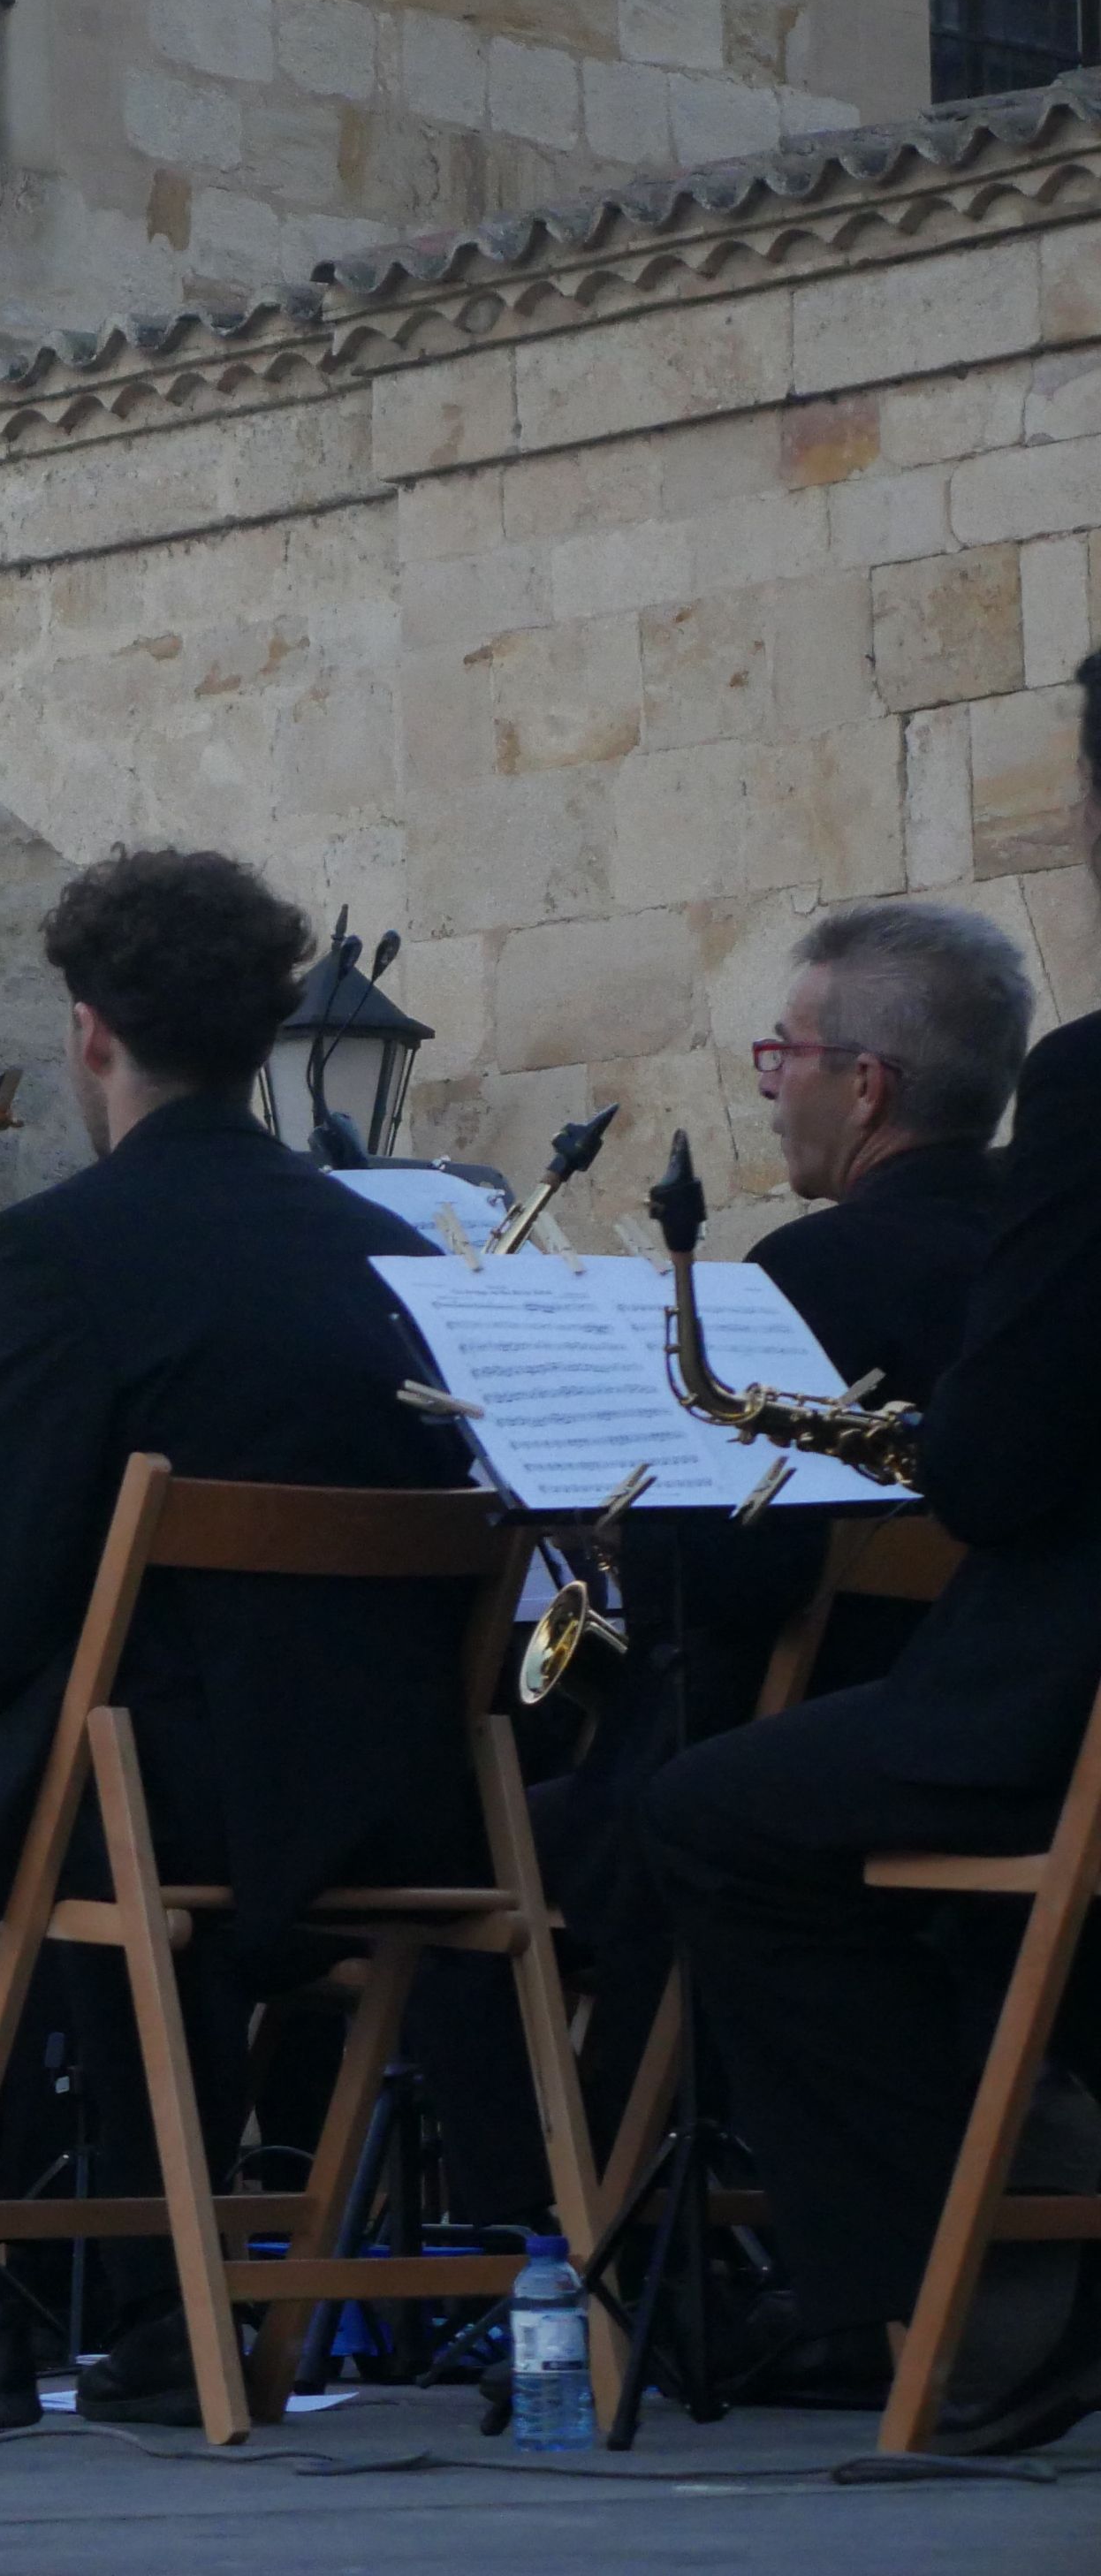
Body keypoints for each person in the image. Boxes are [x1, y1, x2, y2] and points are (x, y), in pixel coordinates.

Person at [0, 849, 471, 2431]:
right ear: (260, 1035)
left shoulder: (57, 1247)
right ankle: (154, 2318)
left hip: (163, 1799)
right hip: (401, 1791)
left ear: (88, 1032)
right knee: (96, 1847)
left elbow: (1, 1604)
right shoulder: (392, 1247)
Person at [416, 899, 1032, 2314]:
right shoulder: (1039, 1244)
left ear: (864, 1084)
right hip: (1007, 1726)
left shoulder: (810, 1281)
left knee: (477, 1884)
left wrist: (596, 1528)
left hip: (818, 1749)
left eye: (780, 1054)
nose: (769, 1086)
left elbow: (736, 1580)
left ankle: (602, 2263)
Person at [648, 657, 1101, 2454]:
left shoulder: (1086, 1091)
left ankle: (975, 2271)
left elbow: (995, 1473)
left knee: (702, 1814)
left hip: (1056, 1692)